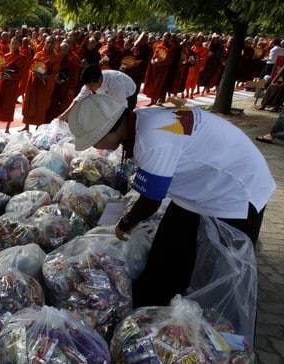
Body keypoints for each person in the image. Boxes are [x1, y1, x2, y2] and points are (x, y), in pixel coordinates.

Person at [68, 94, 275, 307]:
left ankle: (211, 327)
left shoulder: (151, 140)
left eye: (96, 139)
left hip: (236, 191)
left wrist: (125, 224)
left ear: (111, 128)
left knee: (222, 275)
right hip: (200, 187)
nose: (95, 146)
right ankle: (152, 309)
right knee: (166, 256)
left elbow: (151, 201)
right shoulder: (142, 120)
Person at [60, 65, 137, 120]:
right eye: (87, 86)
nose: (89, 89)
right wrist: (65, 115)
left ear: (100, 80)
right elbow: (79, 99)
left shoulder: (116, 83)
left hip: (128, 97)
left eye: (91, 86)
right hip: (106, 97)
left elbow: (120, 108)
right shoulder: (90, 82)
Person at [21, 36, 61, 131]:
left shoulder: (56, 57)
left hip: (45, 85)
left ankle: (39, 127)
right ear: (44, 43)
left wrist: (45, 77)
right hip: (34, 83)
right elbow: (33, 66)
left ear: (55, 44)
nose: (50, 45)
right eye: (48, 42)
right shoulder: (38, 54)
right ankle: (26, 126)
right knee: (29, 103)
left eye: (52, 42)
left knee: (41, 106)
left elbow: (54, 72)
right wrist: (36, 73)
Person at [0, 36, 28, 132]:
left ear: (19, 45)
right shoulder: (5, 56)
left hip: (12, 86)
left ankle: (7, 128)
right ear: (10, 44)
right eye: (12, 43)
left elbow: (20, 74)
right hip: (2, 85)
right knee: (0, 104)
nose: (14, 45)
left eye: (16, 43)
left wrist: (8, 76)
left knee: (9, 106)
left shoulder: (22, 58)